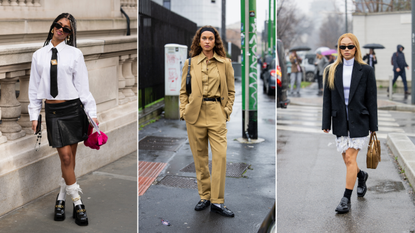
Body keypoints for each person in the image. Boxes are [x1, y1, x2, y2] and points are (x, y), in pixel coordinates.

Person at [28, 13, 99, 226]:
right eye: (58, 26)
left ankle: (61, 198)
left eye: (66, 28)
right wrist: (34, 114)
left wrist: (92, 113)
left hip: (74, 110)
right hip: (54, 112)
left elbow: (83, 87)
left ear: (70, 34)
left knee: (68, 159)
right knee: (66, 158)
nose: (61, 29)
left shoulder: (75, 54)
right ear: (52, 27)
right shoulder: (38, 55)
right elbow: (33, 88)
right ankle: (78, 203)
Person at [179, 26, 235, 217]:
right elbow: (183, 91)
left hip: (216, 112)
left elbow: (232, 91)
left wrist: (226, 111)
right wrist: (183, 111)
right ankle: (205, 196)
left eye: (211, 38)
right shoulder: (190, 63)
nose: (207, 41)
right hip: (194, 114)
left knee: (220, 157)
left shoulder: (225, 63)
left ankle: (218, 202)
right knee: (200, 159)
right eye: (204, 38)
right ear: (199, 41)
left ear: (215, 41)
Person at [322, 33, 378, 214]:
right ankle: (361, 176)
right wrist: (326, 122)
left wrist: (374, 127)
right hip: (340, 120)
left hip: (360, 120)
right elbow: (327, 99)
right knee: (347, 160)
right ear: (339, 49)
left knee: (350, 158)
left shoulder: (366, 70)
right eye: (342, 46)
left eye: (350, 46)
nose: (346, 50)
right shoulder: (331, 69)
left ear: (356, 48)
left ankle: (346, 199)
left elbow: (372, 100)